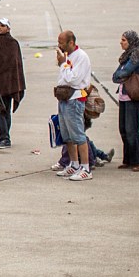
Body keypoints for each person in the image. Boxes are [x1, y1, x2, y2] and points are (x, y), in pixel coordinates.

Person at [54, 30, 93, 181]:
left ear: (71, 42)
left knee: (78, 134)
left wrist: (63, 63)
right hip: (64, 99)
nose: (59, 45)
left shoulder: (81, 57)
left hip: (75, 99)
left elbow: (73, 79)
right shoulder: (67, 56)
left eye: (61, 42)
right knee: (67, 135)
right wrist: (62, 62)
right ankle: (74, 164)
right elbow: (63, 77)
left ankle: (86, 168)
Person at [0, 18, 26, 149]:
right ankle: (3, 135)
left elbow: (15, 64)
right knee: (1, 111)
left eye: (2, 25)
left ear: (8, 28)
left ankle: (5, 137)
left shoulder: (13, 44)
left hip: (7, 84)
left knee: (3, 111)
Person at [112, 30, 139, 172]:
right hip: (123, 95)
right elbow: (115, 76)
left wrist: (120, 75)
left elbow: (124, 72)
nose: (121, 42)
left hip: (133, 96)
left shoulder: (136, 54)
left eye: (124, 40)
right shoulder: (126, 56)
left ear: (131, 41)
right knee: (123, 128)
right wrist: (119, 75)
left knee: (131, 129)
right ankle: (128, 159)